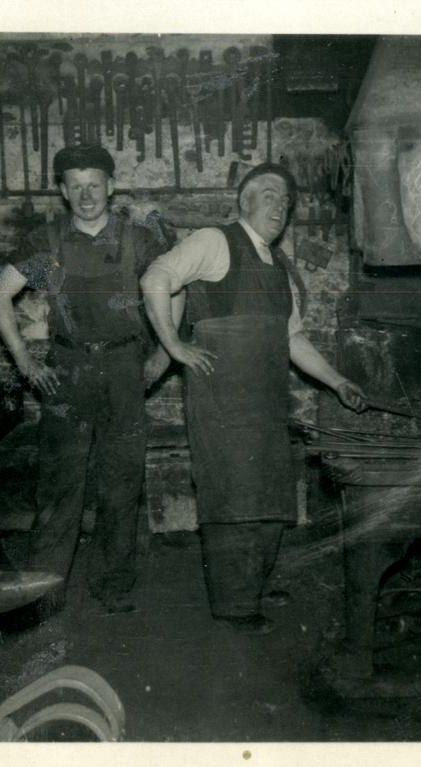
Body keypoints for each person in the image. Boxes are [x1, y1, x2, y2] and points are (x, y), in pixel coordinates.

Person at [141, 163, 366, 635]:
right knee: (232, 500)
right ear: (244, 201)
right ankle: (234, 604)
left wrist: (337, 381)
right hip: (222, 398)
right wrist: (173, 345)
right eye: (268, 195)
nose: (279, 206)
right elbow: (156, 278)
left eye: (285, 200)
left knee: (270, 497)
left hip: (265, 400)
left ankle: (253, 586)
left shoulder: (277, 265)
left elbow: (293, 338)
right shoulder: (215, 241)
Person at [0, 143, 168, 613]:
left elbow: (175, 289)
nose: (87, 195)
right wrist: (24, 360)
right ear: (64, 191)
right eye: (76, 186)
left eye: (94, 185)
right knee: (60, 484)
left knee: (122, 481)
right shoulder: (47, 241)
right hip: (67, 371)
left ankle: (113, 585)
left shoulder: (138, 241)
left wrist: (165, 353)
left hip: (124, 369)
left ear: (111, 186)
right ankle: (44, 592)